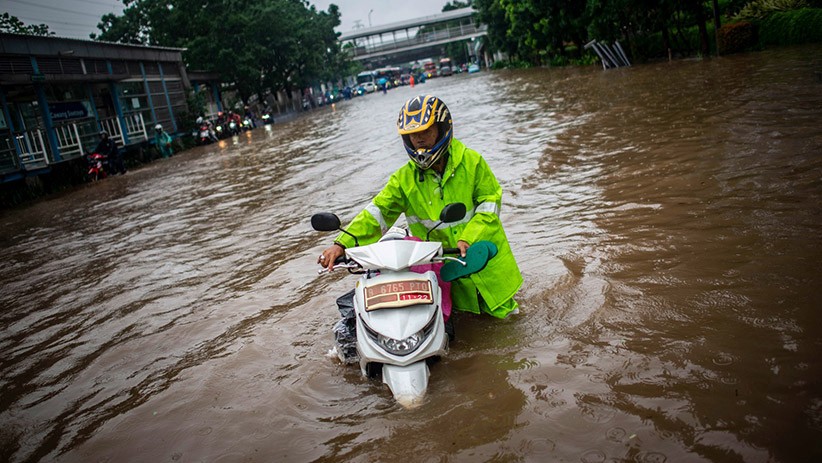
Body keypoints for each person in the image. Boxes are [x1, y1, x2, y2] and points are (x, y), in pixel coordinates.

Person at [319, 95, 522, 324]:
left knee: (510, 327)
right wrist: (341, 244)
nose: (418, 138)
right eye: (412, 134)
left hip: (488, 267)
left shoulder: (473, 162)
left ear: (442, 128)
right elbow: (377, 214)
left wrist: (469, 237)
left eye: (425, 131)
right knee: (459, 331)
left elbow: (489, 206)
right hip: (449, 276)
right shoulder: (403, 180)